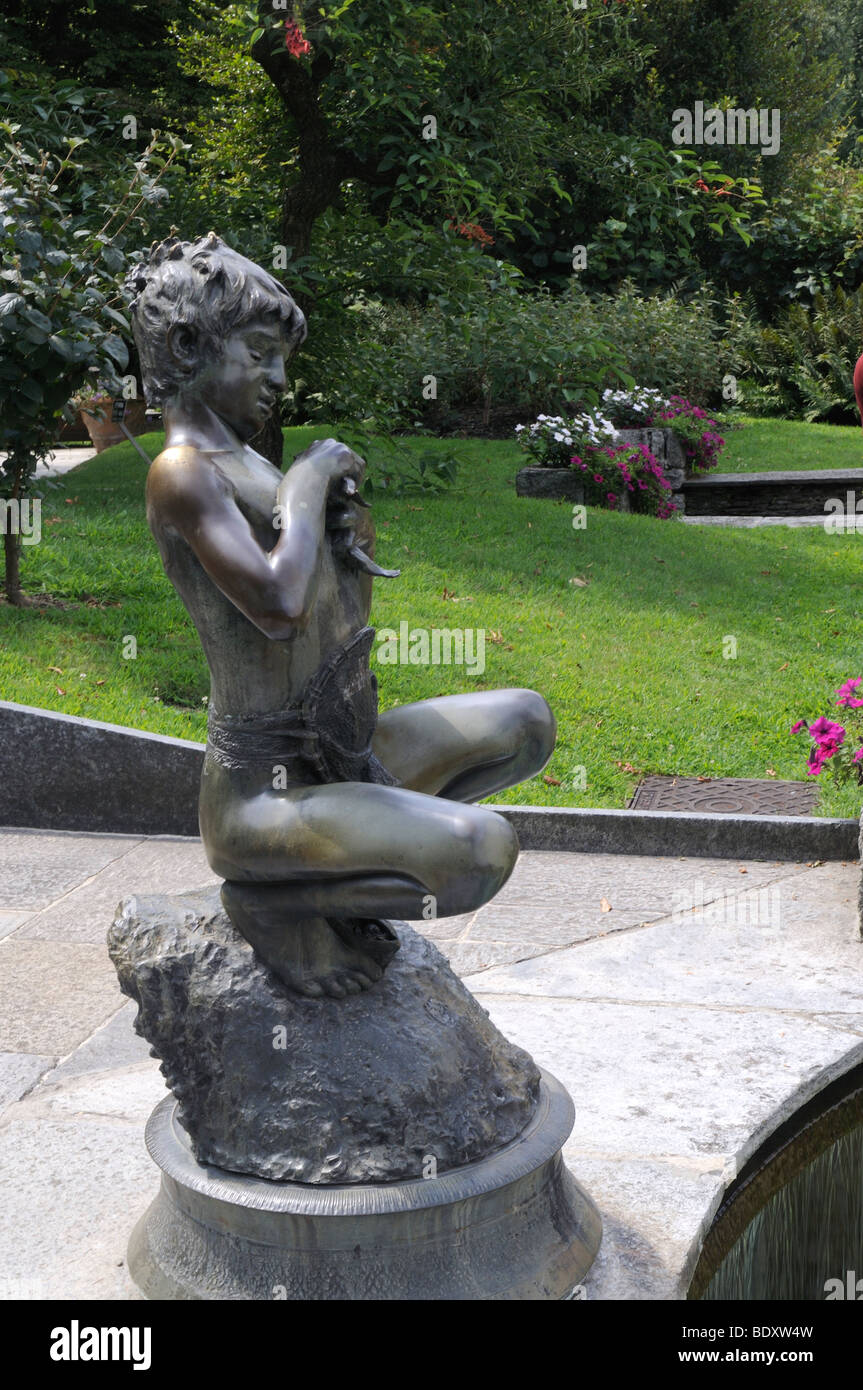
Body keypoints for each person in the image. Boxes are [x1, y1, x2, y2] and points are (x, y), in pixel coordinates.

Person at [127, 233, 557, 998]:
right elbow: (278, 609)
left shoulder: (254, 466)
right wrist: (311, 478)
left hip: (340, 756)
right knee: (482, 851)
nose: (278, 378)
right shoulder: (181, 472)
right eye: (259, 353)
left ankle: (358, 856)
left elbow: (333, 625)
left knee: (524, 721)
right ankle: (278, 905)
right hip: (263, 797)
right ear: (189, 345)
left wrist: (352, 541)